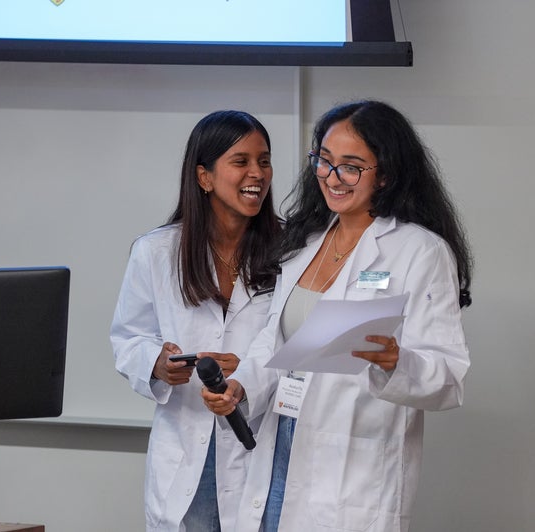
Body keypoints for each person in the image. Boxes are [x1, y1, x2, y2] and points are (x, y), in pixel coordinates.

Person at [202, 100, 473, 532]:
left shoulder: (419, 251)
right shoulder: (305, 241)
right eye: (324, 161)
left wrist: (396, 362)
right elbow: (276, 342)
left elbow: (449, 377)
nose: (331, 177)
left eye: (351, 167)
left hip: (351, 468)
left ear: (385, 174)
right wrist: (241, 387)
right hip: (280, 443)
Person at [110, 110, 282, 532]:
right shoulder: (157, 251)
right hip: (188, 447)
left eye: (264, 161)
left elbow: (293, 339)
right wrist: (156, 363)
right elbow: (128, 338)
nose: (257, 173)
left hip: (261, 442)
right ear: (204, 177)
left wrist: (248, 372)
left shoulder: (291, 249)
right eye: (241, 161)